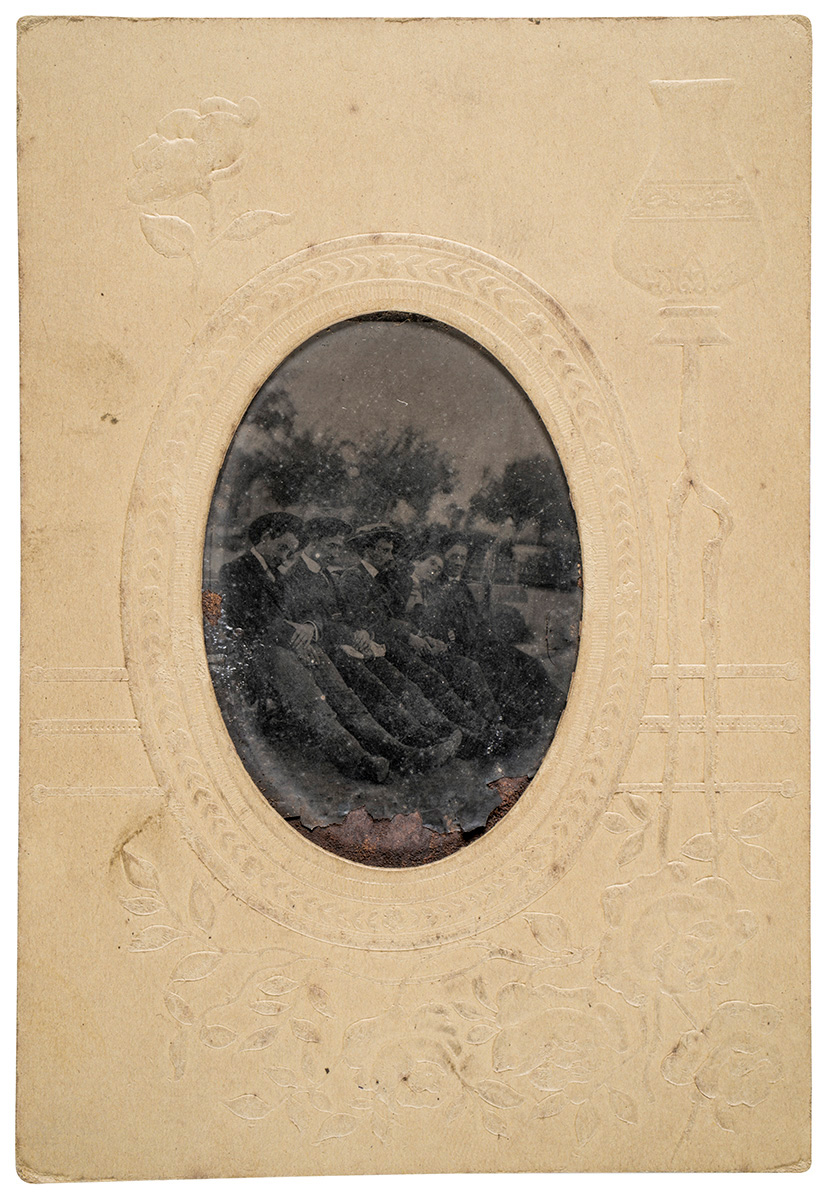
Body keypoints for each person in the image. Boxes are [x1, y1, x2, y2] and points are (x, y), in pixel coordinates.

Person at [217, 513, 457, 780]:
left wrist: (308, 631)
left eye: (290, 550)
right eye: (283, 548)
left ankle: (400, 753)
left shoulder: (278, 573)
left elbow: (295, 617)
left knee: (344, 696)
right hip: (259, 652)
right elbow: (252, 621)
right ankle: (359, 761)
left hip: (296, 645)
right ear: (265, 537)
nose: (286, 556)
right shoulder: (236, 570)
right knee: (314, 703)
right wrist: (298, 637)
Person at [336, 525, 511, 754]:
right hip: (376, 647)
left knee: (436, 677)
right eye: (385, 550)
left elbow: (391, 618)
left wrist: (419, 636)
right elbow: (367, 621)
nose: (390, 557)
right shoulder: (354, 577)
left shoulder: (379, 578)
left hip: (393, 643)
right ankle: (466, 736)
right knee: (425, 679)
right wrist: (409, 636)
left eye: (391, 551)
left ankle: (484, 731)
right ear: (368, 550)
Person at [420, 535, 565, 731]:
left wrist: (491, 638)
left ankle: (559, 709)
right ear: (444, 557)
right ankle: (520, 720)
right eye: (454, 556)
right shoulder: (435, 586)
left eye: (462, 558)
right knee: (502, 670)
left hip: (481, 642)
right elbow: (438, 624)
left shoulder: (462, 587)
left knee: (529, 662)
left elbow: (477, 622)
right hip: (463, 648)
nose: (458, 562)